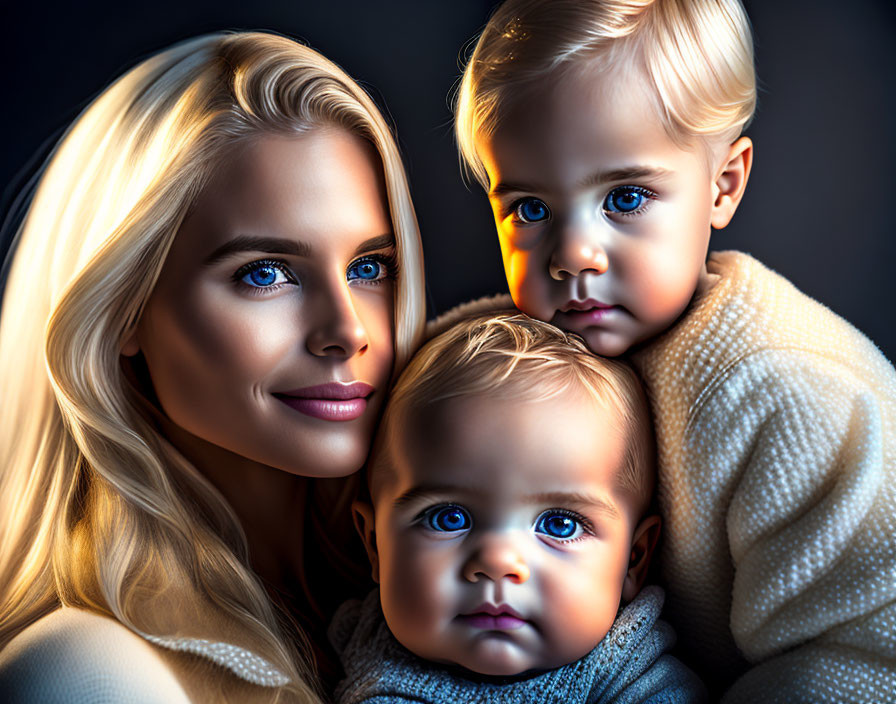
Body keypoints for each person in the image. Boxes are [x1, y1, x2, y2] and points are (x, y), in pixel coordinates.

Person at [452, 1, 896, 702]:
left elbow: (865, 658)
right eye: (531, 209)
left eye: (625, 197)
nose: (574, 255)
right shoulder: (520, 352)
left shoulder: (791, 395)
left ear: (724, 184)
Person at [0, 31, 425, 703]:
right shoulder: (90, 674)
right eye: (265, 273)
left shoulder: (417, 597)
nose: (348, 331)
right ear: (124, 308)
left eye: (369, 267)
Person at [329, 311, 706, 703]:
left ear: (633, 560)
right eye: (449, 518)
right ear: (375, 544)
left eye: (561, 525)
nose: (498, 562)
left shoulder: (631, 679)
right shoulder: (345, 644)